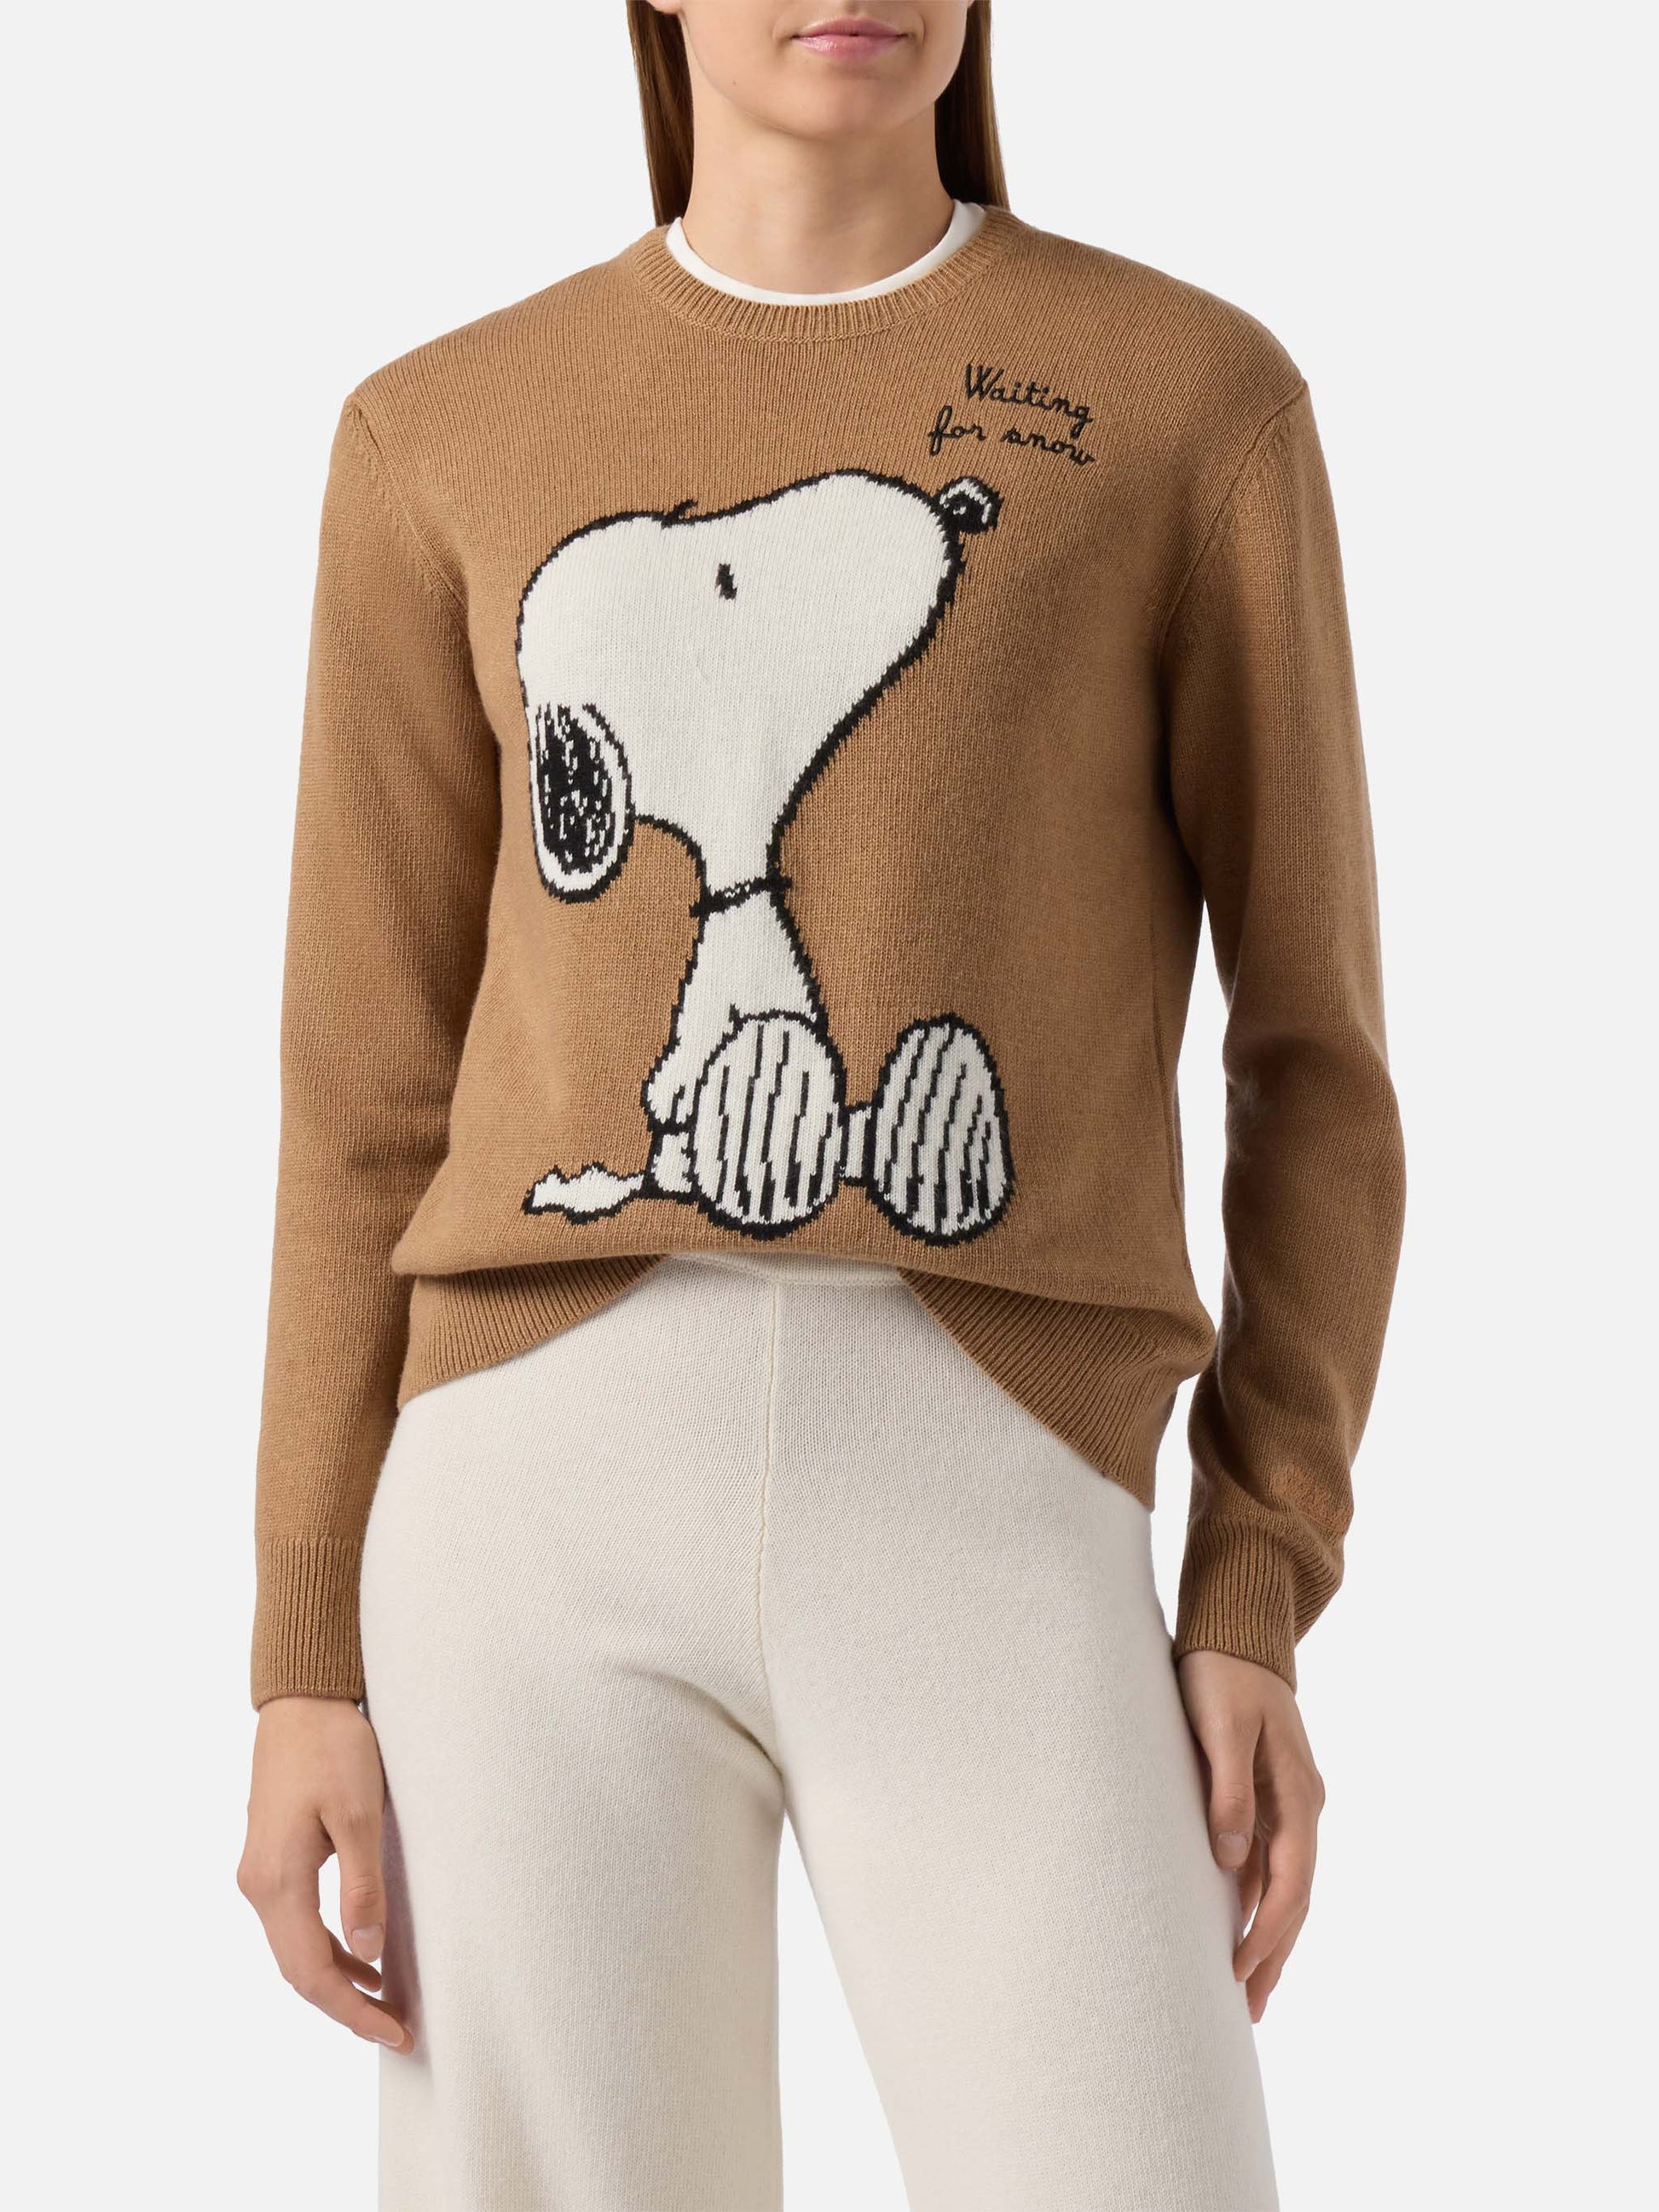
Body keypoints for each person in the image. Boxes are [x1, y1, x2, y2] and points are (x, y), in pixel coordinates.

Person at [237, 4, 1406, 2205]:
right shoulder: (439, 427)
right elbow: (363, 1083)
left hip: (1000, 1477)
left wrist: (1253, 1582)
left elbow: (1313, 1059)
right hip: (528, 1494)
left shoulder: (1185, 398)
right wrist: (305, 1653)